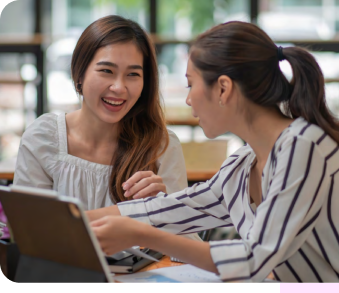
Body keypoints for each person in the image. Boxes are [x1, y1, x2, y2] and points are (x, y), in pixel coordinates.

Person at [87, 21, 339, 283]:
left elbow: (253, 259)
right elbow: (167, 210)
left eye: (191, 85)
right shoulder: (243, 164)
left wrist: (141, 235)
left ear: (223, 89)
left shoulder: (305, 147)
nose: (188, 100)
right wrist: (76, 219)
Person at [13, 15, 200, 241]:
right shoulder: (43, 138)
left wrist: (162, 210)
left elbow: (184, 242)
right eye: (106, 71)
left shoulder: (161, 146)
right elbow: (28, 233)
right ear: (79, 74)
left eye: (133, 74)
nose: (119, 87)